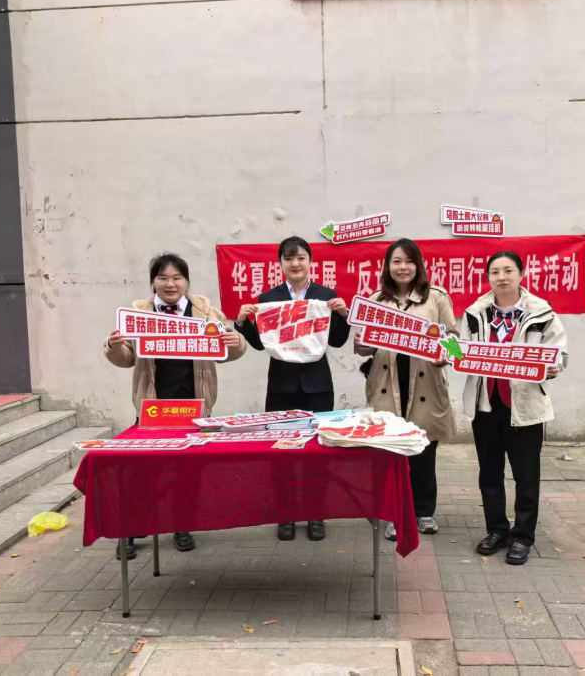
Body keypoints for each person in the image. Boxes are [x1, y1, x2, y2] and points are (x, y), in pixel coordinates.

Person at [104, 253, 247, 559]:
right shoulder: (139, 314)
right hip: (153, 408)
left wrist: (237, 343)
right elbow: (127, 358)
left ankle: (182, 524)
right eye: (163, 278)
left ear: (186, 281)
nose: (170, 284)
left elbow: (227, 351)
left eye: (176, 278)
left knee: (186, 471)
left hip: (194, 408)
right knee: (142, 472)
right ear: (153, 282)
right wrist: (113, 347)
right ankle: (131, 529)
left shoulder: (206, 313)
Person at [235, 236, 351, 542]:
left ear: (310, 261)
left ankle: (316, 513)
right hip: (281, 386)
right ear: (280, 263)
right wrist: (243, 321)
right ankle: (284, 513)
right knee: (281, 451)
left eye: (300, 257)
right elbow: (260, 343)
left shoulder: (325, 295)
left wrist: (342, 314)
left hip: (318, 386)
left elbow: (337, 340)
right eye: (288, 258)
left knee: (318, 451)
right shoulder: (268, 298)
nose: (295, 264)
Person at [459, 250, 567, 565]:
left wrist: (554, 366)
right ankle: (496, 530)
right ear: (488, 277)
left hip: (524, 405)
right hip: (485, 403)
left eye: (508, 270)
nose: (501, 277)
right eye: (495, 272)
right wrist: (448, 350)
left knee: (526, 475)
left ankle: (522, 537)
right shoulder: (474, 312)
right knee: (490, 473)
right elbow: (461, 348)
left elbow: (559, 351)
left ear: (521, 274)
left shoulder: (542, 312)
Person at [353, 238, 457, 541]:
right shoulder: (376, 299)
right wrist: (361, 342)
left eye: (409, 261)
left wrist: (446, 354)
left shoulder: (436, 297)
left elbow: (452, 337)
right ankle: (394, 513)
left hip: (425, 383)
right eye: (396, 261)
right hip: (387, 383)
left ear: (418, 265)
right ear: (387, 266)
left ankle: (423, 511)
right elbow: (364, 347)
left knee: (423, 451)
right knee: (391, 453)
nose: (403, 267)